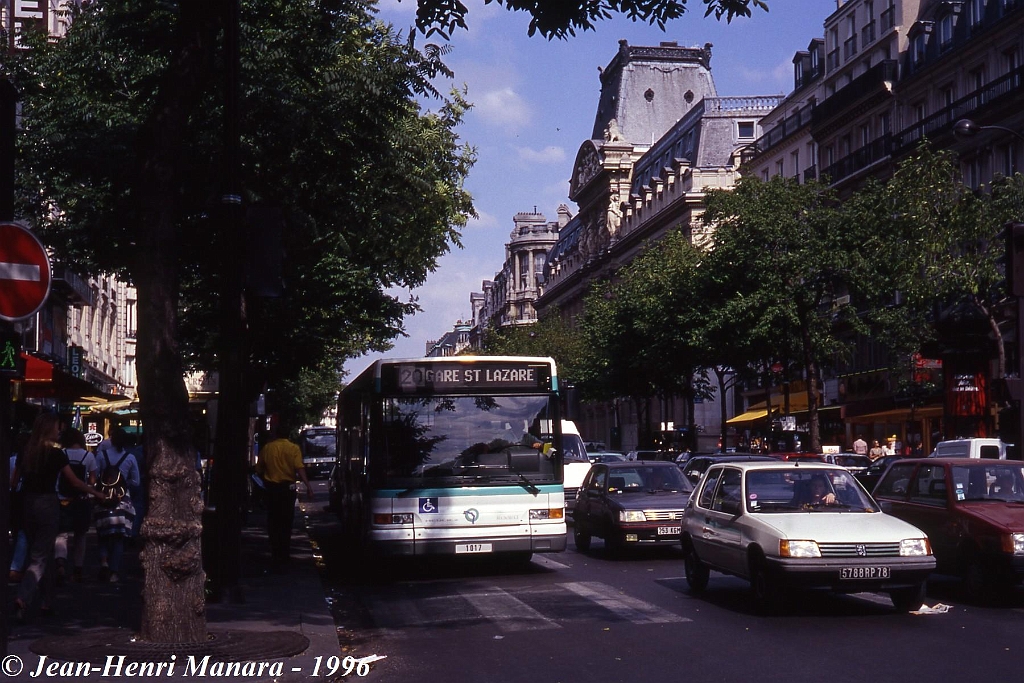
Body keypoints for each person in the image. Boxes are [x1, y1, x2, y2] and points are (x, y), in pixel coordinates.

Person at [11, 414, 101, 621]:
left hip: (27, 502)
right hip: (48, 503)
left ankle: (46, 601)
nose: (59, 431)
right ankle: (22, 597)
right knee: (40, 556)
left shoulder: (26, 453)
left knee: (42, 552)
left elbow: (14, 482)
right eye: (57, 428)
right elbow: (75, 482)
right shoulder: (57, 454)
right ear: (50, 429)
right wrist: (97, 494)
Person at [255, 421, 313, 571]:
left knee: (273, 520)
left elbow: (259, 468)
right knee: (286, 521)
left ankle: (275, 552)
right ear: (288, 434)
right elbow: (299, 468)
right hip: (287, 489)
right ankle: (285, 553)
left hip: (271, 489)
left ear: (276, 434)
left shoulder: (268, 448)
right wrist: (308, 486)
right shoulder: (293, 448)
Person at [94, 428, 141, 583]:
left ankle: (103, 561)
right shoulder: (130, 458)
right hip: (122, 502)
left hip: (103, 500)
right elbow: (136, 482)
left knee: (103, 535)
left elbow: (95, 477)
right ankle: (114, 571)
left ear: (111, 439)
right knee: (119, 539)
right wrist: (124, 482)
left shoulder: (101, 455)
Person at [54, 427, 97, 584]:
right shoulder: (89, 456)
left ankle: (60, 562)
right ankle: (78, 568)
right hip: (81, 499)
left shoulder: (61, 454)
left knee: (61, 534)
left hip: (62, 498)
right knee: (80, 535)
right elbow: (92, 481)